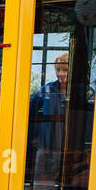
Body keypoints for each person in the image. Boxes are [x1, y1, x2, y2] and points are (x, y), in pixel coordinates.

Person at [30, 53, 69, 183]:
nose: (60, 74)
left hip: (69, 150)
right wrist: (33, 137)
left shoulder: (84, 91)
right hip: (45, 147)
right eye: (58, 70)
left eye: (65, 70)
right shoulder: (46, 90)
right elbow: (30, 112)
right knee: (41, 184)